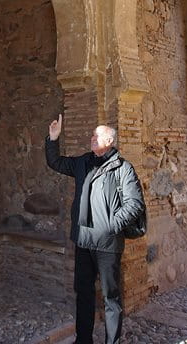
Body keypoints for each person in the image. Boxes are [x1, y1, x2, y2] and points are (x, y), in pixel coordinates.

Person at [45, 114, 145, 344]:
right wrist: (53, 139)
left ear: (109, 141)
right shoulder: (83, 162)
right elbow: (56, 163)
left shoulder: (122, 168)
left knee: (111, 297)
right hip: (83, 240)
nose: (91, 138)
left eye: (96, 135)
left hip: (108, 244)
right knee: (84, 294)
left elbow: (135, 204)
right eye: (92, 134)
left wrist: (111, 226)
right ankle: (83, 340)